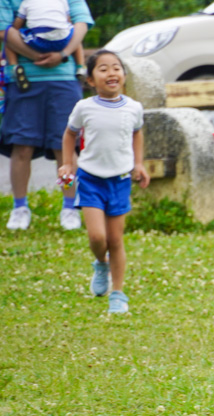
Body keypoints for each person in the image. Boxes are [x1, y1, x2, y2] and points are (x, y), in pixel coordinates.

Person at [57, 51, 149, 315]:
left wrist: (138, 164)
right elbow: (69, 134)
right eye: (103, 69)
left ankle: (118, 293)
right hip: (89, 179)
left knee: (115, 239)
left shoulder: (133, 107)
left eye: (116, 68)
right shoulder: (84, 108)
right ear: (90, 80)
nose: (111, 73)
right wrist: (67, 163)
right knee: (97, 237)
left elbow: (137, 134)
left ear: (124, 75)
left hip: (119, 181)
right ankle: (101, 263)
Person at [1, 0, 91, 232]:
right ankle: (20, 207)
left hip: (64, 79)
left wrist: (62, 55)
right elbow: (4, 30)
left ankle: (70, 206)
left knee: (65, 149)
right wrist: (36, 56)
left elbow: (80, 25)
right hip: (23, 81)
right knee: (21, 145)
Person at [6, 0, 85, 91]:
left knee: (9, 36)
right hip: (62, 41)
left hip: (39, 41)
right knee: (76, 34)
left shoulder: (27, 2)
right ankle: (81, 67)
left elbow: (17, 25)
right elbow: (68, 20)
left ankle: (14, 67)